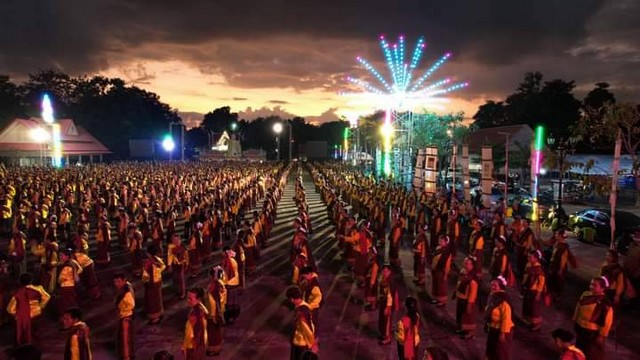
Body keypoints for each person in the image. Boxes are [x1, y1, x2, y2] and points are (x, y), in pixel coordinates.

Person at [573, 277, 613, 360]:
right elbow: (578, 307)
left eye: (594, 285)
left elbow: (607, 322)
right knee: (579, 348)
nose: (591, 286)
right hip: (581, 327)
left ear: (602, 288)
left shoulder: (605, 304)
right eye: (591, 284)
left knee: (590, 352)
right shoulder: (586, 294)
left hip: (592, 332)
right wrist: (575, 319)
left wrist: (602, 335)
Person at [6, 273, 50, 345]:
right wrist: (41, 306)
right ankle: (35, 345)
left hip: (23, 316)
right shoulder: (38, 288)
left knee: (23, 331)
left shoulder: (18, 293)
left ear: (20, 282)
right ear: (31, 280)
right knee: (35, 330)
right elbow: (47, 297)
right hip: (36, 313)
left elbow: (10, 309)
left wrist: (16, 314)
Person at [485, 276, 514, 360]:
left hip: (502, 330)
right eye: (491, 285)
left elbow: (506, 319)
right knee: (492, 348)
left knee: (500, 350)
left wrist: (502, 333)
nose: (492, 287)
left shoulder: (503, 300)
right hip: (493, 327)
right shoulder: (493, 295)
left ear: (500, 287)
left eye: (495, 286)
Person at [286, 286, 317, 360]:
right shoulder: (305, 306)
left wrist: (312, 344)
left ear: (292, 299)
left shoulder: (301, 312)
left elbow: (307, 328)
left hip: (300, 343)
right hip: (300, 342)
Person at [454, 256, 479, 339]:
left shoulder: (472, 279)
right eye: (464, 263)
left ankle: (470, 333)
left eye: (467, 263)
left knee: (468, 317)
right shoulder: (464, 272)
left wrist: (469, 303)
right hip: (461, 298)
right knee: (461, 316)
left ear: (472, 266)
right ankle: (464, 329)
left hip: (467, 301)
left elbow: (473, 292)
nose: (465, 265)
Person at [521, 250, 546, 331]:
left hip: (534, 291)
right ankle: (530, 321)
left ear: (536, 259)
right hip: (528, 289)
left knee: (534, 308)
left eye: (530, 257)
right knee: (528, 306)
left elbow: (541, 283)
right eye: (528, 256)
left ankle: (537, 324)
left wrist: (538, 294)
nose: (528, 258)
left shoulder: (539, 269)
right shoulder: (529, 265)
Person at [205, 266, 226, 356]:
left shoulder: (215, 286)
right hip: (215, 310)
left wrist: (213, 315)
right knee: (214, 331)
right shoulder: (218, 283)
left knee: (214, 331)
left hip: (214, 312)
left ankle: (214, 349)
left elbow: (215, 301)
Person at [183, 287, 208, 360]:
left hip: (193, 346)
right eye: (188, 298)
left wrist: (185, 345)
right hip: (199, 343)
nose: (188, 301)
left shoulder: (196, 314)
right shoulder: (201, 308)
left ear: (199, 299)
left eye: (191, 299)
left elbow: (194, 334)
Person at [113, 273, 135, 360]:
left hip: (126, 317)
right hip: (123, 315)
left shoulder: (126, 293)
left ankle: (127, 356)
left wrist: (122, 310)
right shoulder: (124, 288)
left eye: (118, 281)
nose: (116, 284)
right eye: (115, 282)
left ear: (123, 281)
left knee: (125, 338)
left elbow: (131, 305)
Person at [142, 244, 165, 324]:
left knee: (152, 300)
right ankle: (159, 313)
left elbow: (145, 274)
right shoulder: (157, 259)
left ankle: (155, 316)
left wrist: (145, 282)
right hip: (158, 281)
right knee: (158, 298)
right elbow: (163, 267)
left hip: (151, 283)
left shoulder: (148, 262)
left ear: (148, 253)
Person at [57, 249, 82, 321]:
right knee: (71, 302)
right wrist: (74, 275)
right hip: (72, 285)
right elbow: (80, 269)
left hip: (66, 286)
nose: (60, 257)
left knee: (66, 303)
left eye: (62, 255)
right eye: (59, 255)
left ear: (67, 256)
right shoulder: (73, 262)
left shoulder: (66, 266)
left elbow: (61, 279)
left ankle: (70, 318)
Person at [378, 264, 399, 345]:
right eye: (383, 271)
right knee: (383, 320)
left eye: (386, 271)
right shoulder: (384, 278)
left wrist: (388, 306)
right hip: (383, 301)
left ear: (390, 271)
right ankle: (384, 335)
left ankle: (388, 338)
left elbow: (390, 295)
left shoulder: (390, 281)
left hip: (388, 303)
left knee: (387, 321)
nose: (384, 272)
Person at [430, 235, 452, 307]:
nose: (440, 242)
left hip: (441, 271)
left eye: (442, 241)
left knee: (441, 287)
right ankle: (437, 298)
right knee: (436, 285)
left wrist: (445, 274)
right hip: (435, 269)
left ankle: (442, 301)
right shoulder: (438, 248)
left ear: (446, 242)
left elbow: (447, 265)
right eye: (439, 240)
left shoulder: (447, 253)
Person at [300, 266, 323, 332]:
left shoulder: (314, 284)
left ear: (310, 274)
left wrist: (310, 306)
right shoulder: (309, 281)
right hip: (308, 305)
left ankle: (313, 339)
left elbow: (318, 296)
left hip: (312, 307)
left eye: (305, 276)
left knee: (312, 324)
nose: (305, 278)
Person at [167, 233, 189, 299]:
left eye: (177, 240)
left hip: (181, 264)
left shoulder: (183, 247)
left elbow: (186, 256)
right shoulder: (171, 246)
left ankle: (183, 293)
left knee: (181, 278)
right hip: (174, 264)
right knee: (175, 277)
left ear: (180, 240)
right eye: (174, 240)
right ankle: (178, 290)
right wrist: (169, 265)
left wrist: (187, 264)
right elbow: (169, 256)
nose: (175, 241)